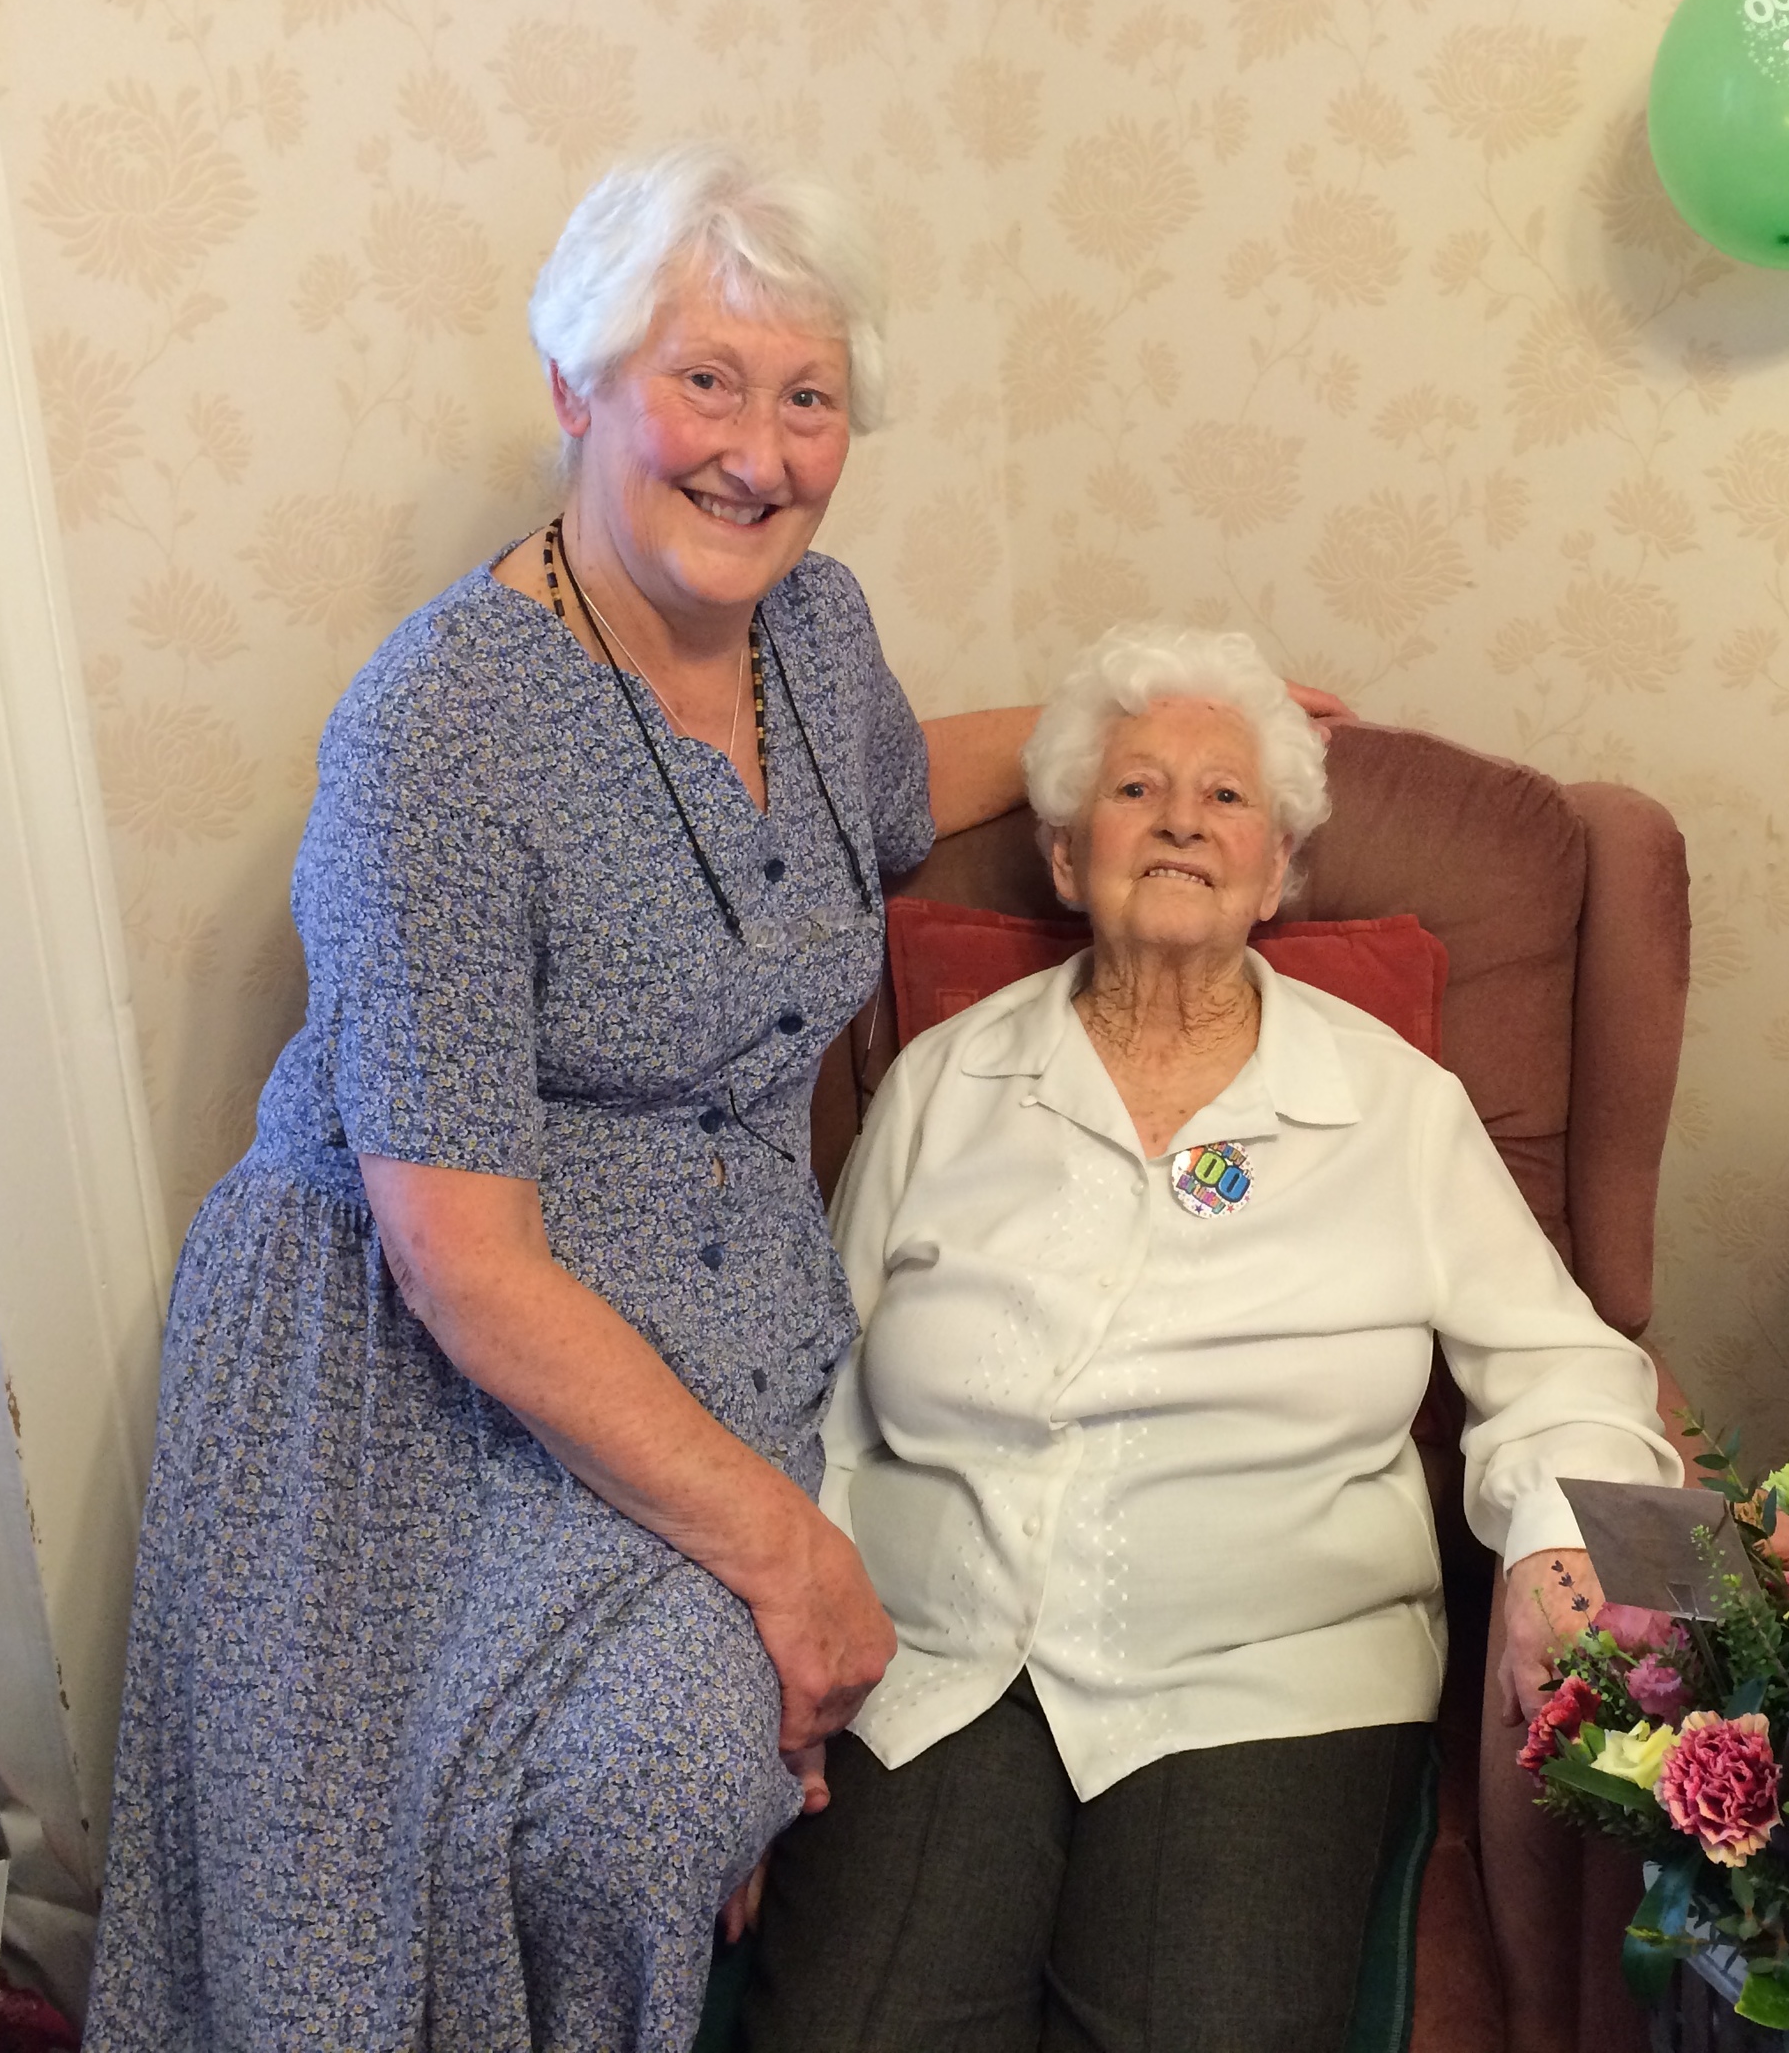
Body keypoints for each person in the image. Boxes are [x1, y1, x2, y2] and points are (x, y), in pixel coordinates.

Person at [87, 144, 1063, 2050]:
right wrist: (792, 1560)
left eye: (810, 400)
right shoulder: (433, 741)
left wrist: (1161, 714)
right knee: (602, 1802)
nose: (760, 454)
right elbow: (463, 1263)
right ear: (575, 388)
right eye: (705, 382)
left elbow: (887, 794)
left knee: (661, 1781)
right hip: (417, 1353)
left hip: (711, 1322)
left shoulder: (815, 628)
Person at [740, 629, 1683, 2053]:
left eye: (1228, 797)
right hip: (936, 1656)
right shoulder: (945, 1081)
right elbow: (813, 1373)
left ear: (1283, 872)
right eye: (1135, 789)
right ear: (1066, 858)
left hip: (1267, 1672)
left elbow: (1567, 1363)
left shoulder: (1394, 1107)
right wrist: (772, 1640)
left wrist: (1561, 1545)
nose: (1182, 816)